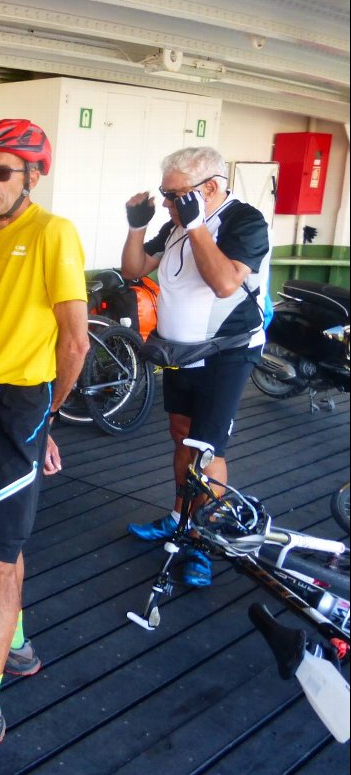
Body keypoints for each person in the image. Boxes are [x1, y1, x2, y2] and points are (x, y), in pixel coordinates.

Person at [0, 119, 89, 775]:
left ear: (34, 175)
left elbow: (75, 340)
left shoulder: (53, 232)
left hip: (20, 404)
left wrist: (46, 417)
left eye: (2, 171)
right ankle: (18, 645)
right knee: (4, 544)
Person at [122, 146, 269, 588]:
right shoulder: (174, 223)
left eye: (175, 193)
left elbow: (225, 283)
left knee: (208, 451)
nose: (168, 202)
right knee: (182, 435)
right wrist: (138, 225)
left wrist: (196, 223)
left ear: (208, 188)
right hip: (180, 352)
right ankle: (179, 518)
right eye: (165, 194)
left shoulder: (246, 221)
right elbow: (133, 269)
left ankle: (202, 540)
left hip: (227, 351)